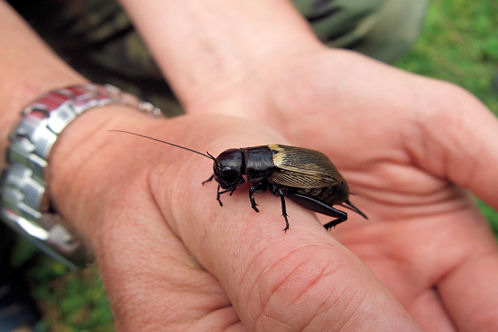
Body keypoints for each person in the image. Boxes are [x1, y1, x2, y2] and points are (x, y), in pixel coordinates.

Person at [1, 1, 497, 331]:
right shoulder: (253, 169)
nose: (229, 181)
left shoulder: (271, 177)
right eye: (228, 174)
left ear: (249, 166)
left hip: (322, 183)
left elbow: (278, 189)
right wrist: (87, 155)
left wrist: (258, 63)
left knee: (378, 12)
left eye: (232, 174)